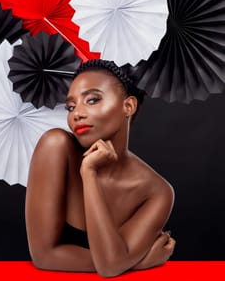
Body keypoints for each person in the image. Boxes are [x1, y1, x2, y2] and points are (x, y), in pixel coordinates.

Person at [25, 59, 175, 277]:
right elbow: (44, 256)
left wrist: (89, 173)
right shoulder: (55, 146)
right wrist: (134, 263)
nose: (76, 114)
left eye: (92, 100)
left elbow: (111, 266)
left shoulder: (158, 192)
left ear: (128, 106)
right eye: (71, 106)